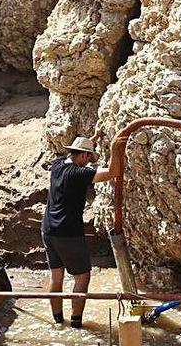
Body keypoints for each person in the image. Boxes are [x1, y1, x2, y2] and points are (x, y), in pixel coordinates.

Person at [41, 136, 114, 328]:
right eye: (88, 158)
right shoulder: (79, 173)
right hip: (68, 232)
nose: (89, 162)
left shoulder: (57, 164)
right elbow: (113, 172)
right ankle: (76, 324)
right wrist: (116, 146)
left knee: (56, 277)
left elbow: (74, 152)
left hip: (48, 228)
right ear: (82, 156)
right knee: (82, 276)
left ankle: (57, 321)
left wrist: (94, 138)